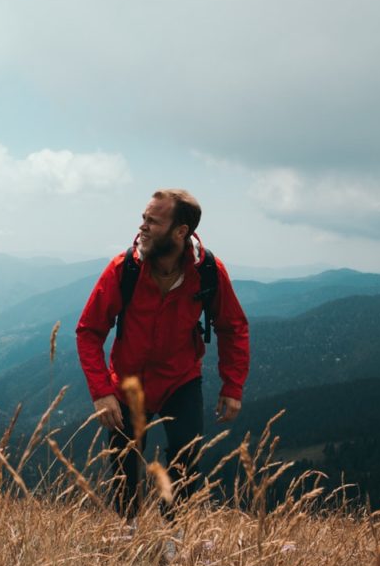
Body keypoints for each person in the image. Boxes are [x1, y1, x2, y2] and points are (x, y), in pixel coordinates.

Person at [76, 189, 250, 522]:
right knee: (124, 457)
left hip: (180, 379)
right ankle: (128, 527)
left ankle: (173, 531)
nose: (142, 227)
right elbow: (88, 331)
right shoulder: (123, 268)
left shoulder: (208, 271)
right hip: (127, 380)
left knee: (187, 452)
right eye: (143, 218)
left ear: (180, 231)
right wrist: (102, 392)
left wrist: (233, 386)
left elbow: (233, 326)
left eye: (153, 222)